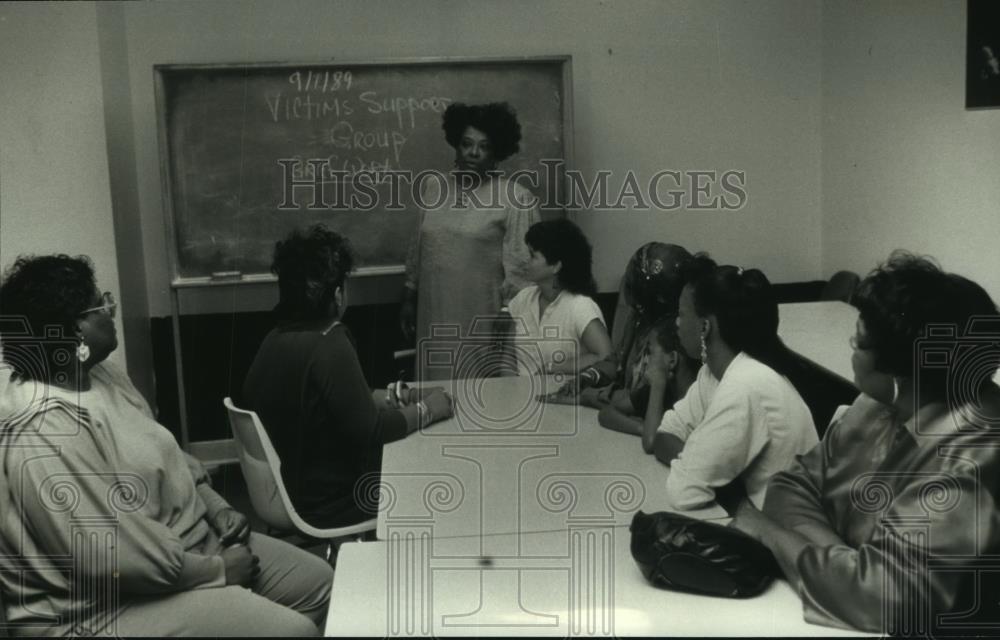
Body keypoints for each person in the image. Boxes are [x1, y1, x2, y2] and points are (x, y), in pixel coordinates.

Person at [0, 254, 332, 636]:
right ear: (75, 331)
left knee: (318, 583)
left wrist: (215, 505)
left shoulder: (102, 374)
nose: (111, 308)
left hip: (184, 549)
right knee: (296, 632)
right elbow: (114, 557)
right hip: (102, 606)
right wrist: (220, 571)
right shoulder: (43, 431)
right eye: (101, 303)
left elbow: (166, 454)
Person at [731, 252, 1000, 634]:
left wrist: (767, 533)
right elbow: (791, 486)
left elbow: (885, 601)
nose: (851, 347)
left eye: (859, 343)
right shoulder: (878, 404)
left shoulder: (973, 455)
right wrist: (847, 565)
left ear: (899, 371)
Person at [242, 226, 454, 530]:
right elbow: (374, 431)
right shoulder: (330, 341)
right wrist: (429, 409)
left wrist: (404, 396)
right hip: (336, 501)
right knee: (440, 478)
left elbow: (347, 401)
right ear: (338, 294)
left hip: (293, 489)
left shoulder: (274, 339)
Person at [644, 256, 818, 511]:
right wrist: (701, 460)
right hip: (767, 521)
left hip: (787, 531)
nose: (677, 324)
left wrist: (702, 464)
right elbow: (664, 435)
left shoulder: (745, 384)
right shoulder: (713, 374)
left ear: (705, 327)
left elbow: (684, 492)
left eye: (682, 314)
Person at [401, 102, 541, 381]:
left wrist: (508, 314)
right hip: (433, 313)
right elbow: (417, 251)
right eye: (466, 144)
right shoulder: (433, 188)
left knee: (478, 395)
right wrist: (408, 298)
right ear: (456, 144)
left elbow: (525, 268)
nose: (473, 153)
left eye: (484, 146)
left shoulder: (516, 198)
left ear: (497, 152)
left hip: (484, 320)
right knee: (433, 391)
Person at [540, 242, 696, 415]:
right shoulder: (639, 321)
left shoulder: (671, 338)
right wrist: (588, 377)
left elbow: (638, 399)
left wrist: (587, 396)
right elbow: (618, 362)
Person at [506, 218, 612, 375]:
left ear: (556, 266)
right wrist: (509, 388)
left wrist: (553, 368)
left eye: (532, 256)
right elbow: (507, 356)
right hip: (520, 395)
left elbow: (605, 356)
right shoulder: (522, 299)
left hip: (562, 396)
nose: (525, 261)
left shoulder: (580, 306)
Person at [597, 314, 700, 435]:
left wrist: (657, 386)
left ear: (672, 360)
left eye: (650, 352)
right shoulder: (665, 389)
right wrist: (642, 427)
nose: (645, 360)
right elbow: (606, 413)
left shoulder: (696, 400)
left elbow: (651, 441)